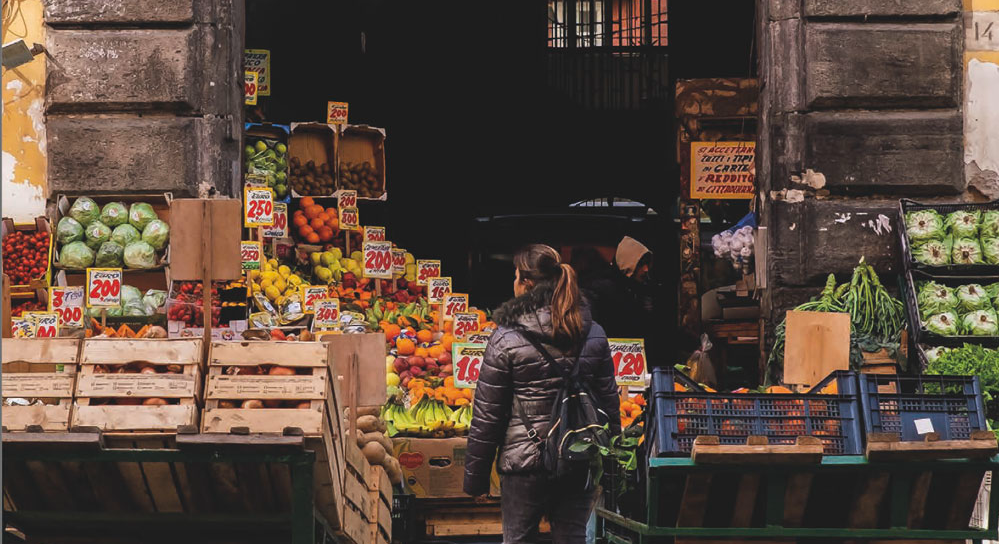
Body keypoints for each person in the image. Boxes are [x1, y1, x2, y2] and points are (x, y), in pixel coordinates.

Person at [463, 244, 622, 544]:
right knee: (572, 538)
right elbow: (608, 406)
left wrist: (476, 479)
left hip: (525, 463)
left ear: (527, 283)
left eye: (515, 277)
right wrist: (612, 470)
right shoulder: (594, 333)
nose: (513, 283)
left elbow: (488, 416)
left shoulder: (505, 339)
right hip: (578, 456)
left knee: (519, 539)